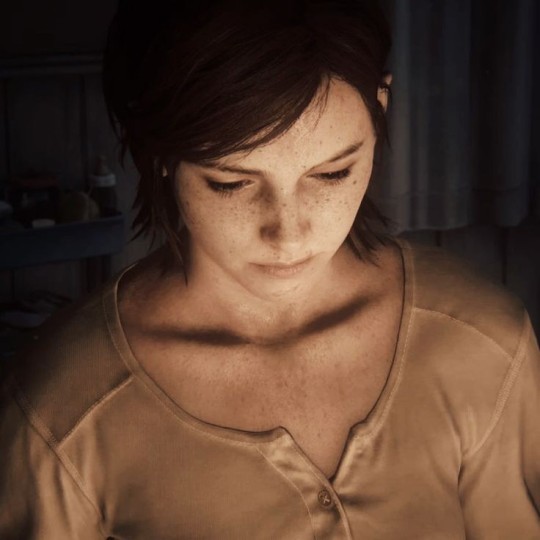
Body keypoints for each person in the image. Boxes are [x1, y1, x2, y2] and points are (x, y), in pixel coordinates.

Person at [1, 0, 539, 538]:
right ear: (158, 153)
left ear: (380, 108)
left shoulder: (481, 340)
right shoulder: (61, 410)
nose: (289, 234)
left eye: (332, 174)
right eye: (231, 183)